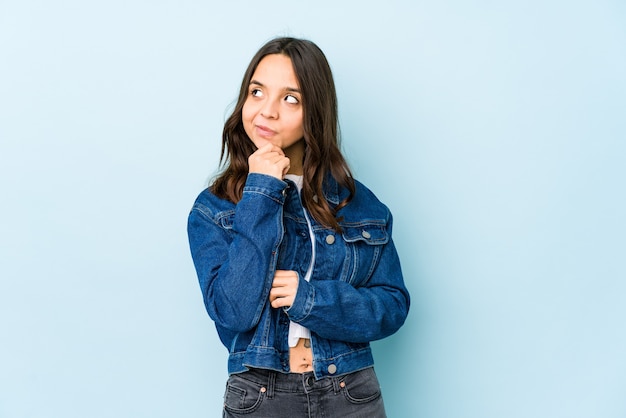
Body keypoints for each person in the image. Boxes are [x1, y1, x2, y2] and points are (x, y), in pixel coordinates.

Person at [187, 37, 410, 418]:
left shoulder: (360, 205)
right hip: (260, 396)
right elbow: (233, 311)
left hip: (351, 393)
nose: (267, 111)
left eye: (290, 98)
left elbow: (392, 305)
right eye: (257, 92)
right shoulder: (214, 209)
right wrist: (261, 191)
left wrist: (311, 299)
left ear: (315, 113)